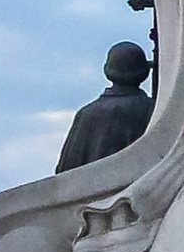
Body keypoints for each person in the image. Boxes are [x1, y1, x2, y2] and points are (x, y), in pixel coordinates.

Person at [57, 41, 153, 175]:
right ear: (145, 73)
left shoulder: (86, 114)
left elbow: (65, 173)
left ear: (106, 70)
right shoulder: (152, 109)